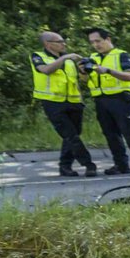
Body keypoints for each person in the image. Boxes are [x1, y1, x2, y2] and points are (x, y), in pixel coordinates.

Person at [84, 27, 130, 176]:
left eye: (98, 41)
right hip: (101, 100)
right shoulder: (92, 58)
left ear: (108, 39)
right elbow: (86, 80)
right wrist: (83, 71)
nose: (96, 45)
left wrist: (108, 71)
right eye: (92, 42)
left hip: (120, 99)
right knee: (111, 135)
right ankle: (121, 165)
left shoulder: (122, 55)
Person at [30, 31, 98, 177]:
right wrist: (66, 57)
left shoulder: (68, 61)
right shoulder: (38, 56)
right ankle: (88, 164)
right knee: (70, 135)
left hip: (73, 101)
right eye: (60, 42)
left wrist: (84, 71)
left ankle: (65, 166)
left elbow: (80, 80)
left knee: (73, 135)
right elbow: (46, 70)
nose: (64, 44)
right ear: (48, 44)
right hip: (53, 102)